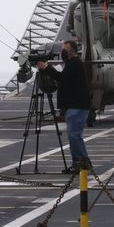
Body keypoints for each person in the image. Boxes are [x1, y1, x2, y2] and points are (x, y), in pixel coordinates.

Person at [38, 40, 92, 173]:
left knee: (74, 135)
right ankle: (78, 163)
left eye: (65, 49)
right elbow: (64, 78)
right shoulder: (72, 63)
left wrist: (47, 68)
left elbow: (63, 78)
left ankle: (82, 162)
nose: (63, 51)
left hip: (77, 106)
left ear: (71, 51)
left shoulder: (74, 63)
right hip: (74, 106)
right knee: (73, 135)